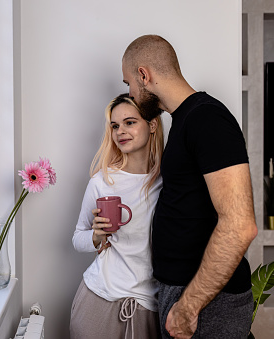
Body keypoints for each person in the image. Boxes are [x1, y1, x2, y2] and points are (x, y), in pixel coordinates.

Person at [121, 34, 258, 339]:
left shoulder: (206, 118)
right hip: (187, 293)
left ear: (144, 75)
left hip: (206, 301)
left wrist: (189, 306)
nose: (129, 93)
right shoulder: (183, 120)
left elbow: (239, 225)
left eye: (128, 83)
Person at [70, 93, 164, 339]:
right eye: (115, 125)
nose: (120, 131)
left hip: (149, 308)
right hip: (98, 302)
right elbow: (77, 237)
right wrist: (96, 236)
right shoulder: (102, 181)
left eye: (130, 122)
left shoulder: (167, 182)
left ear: (152, 125)